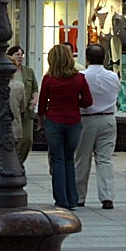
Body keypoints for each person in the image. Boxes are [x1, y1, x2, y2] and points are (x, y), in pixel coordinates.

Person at [38, 43, 94, 209]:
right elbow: (87, 101)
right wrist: (74, 102)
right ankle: (72, 198)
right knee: (69, 159)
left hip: (54, 121)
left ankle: (61, 199)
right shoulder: (79, 78)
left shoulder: (49, 79)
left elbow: (41, 104)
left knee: (57, 160)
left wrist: (42, 119)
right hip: (73, 121)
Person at [76, 42, 120, 209]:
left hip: (86, 118)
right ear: (105, 58)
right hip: (108, 118)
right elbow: (116, 94)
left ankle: (79, 196)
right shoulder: (113, 76)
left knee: (81, 159)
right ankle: (107, 196)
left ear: (86, 59)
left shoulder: (81, 76)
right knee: (105, 159)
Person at [6, 45, 38, 163]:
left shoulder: (28, 72)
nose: (20, 57)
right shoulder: (8, 71)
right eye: (17, 55)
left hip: (26, 110)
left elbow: (35, 87)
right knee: (14, 138)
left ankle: (19, 161)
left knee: (27, 140)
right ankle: (14, 162)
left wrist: (34, 100)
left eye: (21, 55)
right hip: (14, 111)